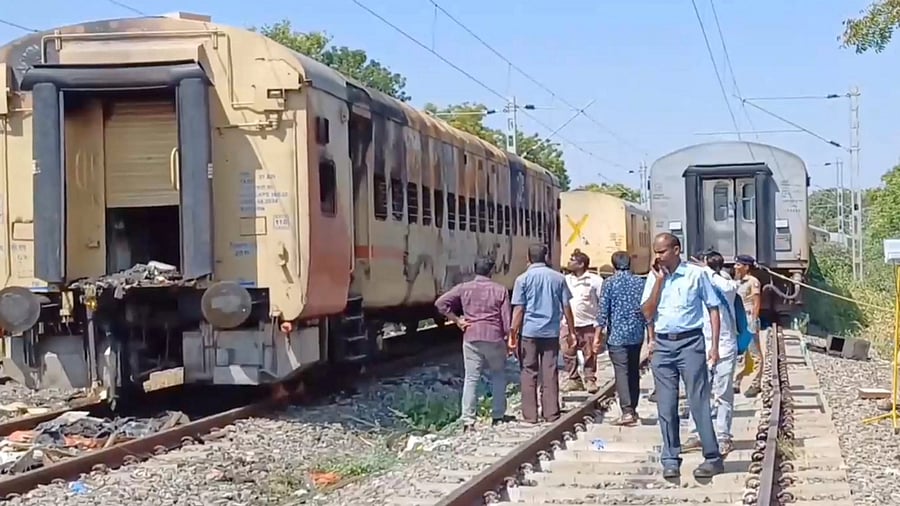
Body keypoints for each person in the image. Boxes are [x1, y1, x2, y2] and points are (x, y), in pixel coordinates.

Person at [640, 233, 724, 479]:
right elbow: (646, 312)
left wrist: (714, 346)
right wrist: (658, 283)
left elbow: (713, 308)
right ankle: (670, 458)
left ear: (676, 250)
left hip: (690, 343)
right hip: (663, 346)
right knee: (666, 406)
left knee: (698, 402)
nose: (658, 257)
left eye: (662, 251)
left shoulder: (696, 275)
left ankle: (712, 457)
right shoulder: (654, 278)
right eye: (656, 252)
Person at [435, 255, 512, 432]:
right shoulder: (500, 290)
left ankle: (468, 420)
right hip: (494, 337)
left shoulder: (464, 288)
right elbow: (506, 321)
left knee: (471, 378)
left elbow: (440, 303)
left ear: (474, 268)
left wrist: (457, 320)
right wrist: (509, 340)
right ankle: (498, 416)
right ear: (492, 270)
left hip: (471, 336)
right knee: (498, 375)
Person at [510, 244, 577, 424]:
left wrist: (512, 333)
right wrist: (572, 331)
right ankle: (551, 413)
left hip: (529, 333)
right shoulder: (558, 278)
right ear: (546, 257)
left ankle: (530, 415)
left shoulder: (521, 280)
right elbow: (566, 307)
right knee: (550, 371)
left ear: (528, 258)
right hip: (550, 332)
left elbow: (519, 309)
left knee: (528, 372)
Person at [683, 251, 740, 456]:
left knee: (723, 393)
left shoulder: (725, 281)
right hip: (700, 347)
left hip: (724, 346)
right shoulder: (698, 282)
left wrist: (705, 270)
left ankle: (723, 436)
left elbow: (728, 287)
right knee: (698, 393)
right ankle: (695, 434)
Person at [595, 251, 647, 426]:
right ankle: (633, 408)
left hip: (617, 336)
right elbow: (647, 310)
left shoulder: (609, 283)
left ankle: (627, 412)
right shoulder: (640, 283)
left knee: (621, 372)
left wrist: (597, 336)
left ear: (613, 265)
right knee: (633, 371)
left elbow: (603, 312)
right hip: (636, 334)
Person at [561, 250, 605, 393]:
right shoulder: (565, 279)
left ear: (581, 264)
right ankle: (574, 379)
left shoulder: (595, 281)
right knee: (568, 352)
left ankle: (590, 379)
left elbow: (602, 302)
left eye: (572, 260)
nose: (569, 262)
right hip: (568, 324)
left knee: (590, 353)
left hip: (588, 323)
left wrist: (601, 324)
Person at [733, 254, 763, 398]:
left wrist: (754, 320)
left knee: (754, 352)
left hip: (749, 317)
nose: (735, 267)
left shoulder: (753, 282)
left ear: (746, 267)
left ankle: (755, 384)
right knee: (740, 352)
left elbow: (757, 302)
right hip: (739, 319)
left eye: (738, 265)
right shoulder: (737, 281)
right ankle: (737, 382)